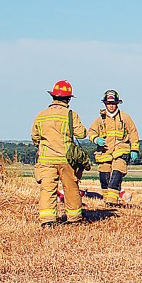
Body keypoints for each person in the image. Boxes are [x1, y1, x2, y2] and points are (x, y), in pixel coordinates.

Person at [30, 80, 87, 227]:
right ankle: (74, 220)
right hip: (66, 159)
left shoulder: (41, 115)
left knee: (47, 190)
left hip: (46, 159)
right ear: (68, 99)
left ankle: (47, 221)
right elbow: (81, 134)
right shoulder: (70, 115)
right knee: (71, 189)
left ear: (53, 96)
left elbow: (35, 136)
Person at [87, 90, 140, 204]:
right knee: (104, 177)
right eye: (109, 103)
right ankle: (107, 200)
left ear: (117, 104)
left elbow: (133, 133)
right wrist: (96, 139)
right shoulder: (101, 119)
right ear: (105, 104)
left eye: (113, 103)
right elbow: (91, 132)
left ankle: (112, 200)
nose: (111, 106)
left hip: (120, 152)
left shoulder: (125, 118)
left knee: (116, 174)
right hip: (104, 153)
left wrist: (134, 149)